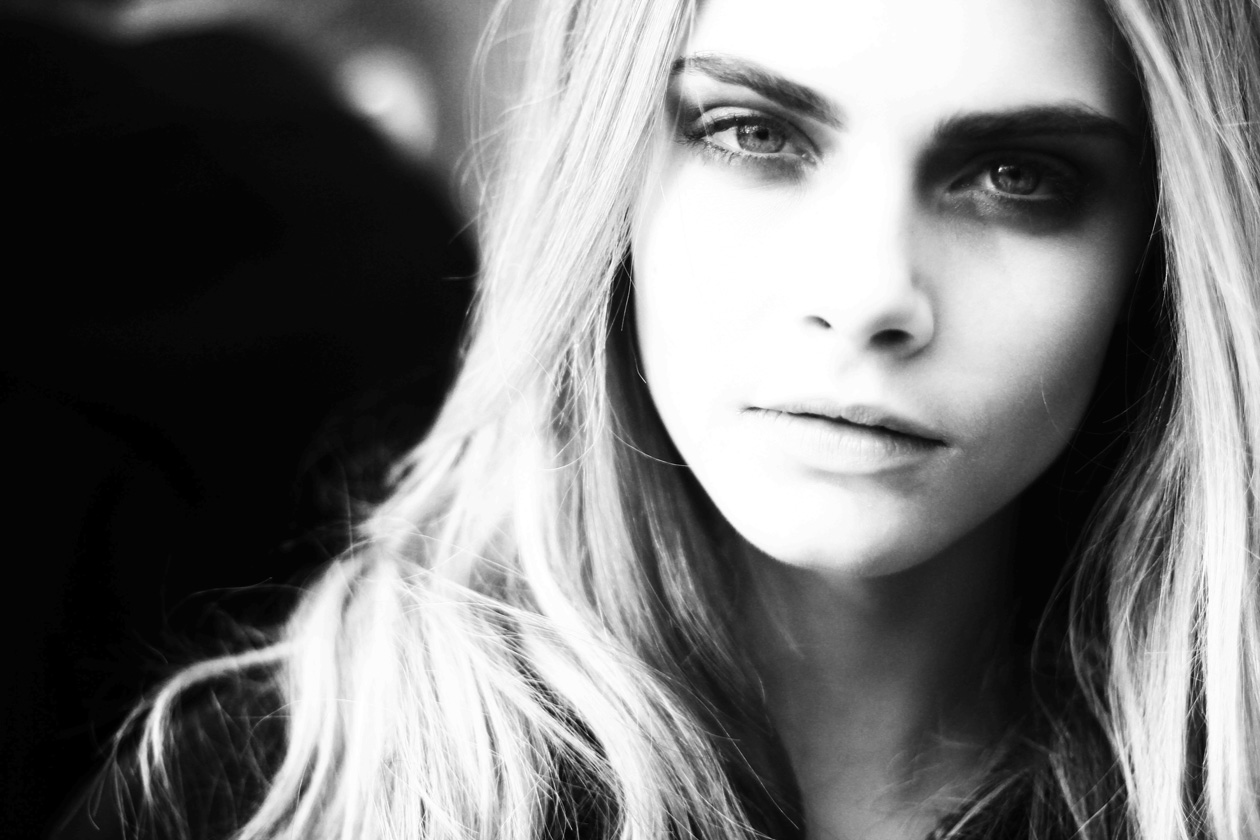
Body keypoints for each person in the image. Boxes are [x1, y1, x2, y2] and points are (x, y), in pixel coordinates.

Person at [67, 0, 1260, 838]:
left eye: (1018, 176)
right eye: (755, 134)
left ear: (1158, 255)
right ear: (606, 177)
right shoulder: (269, 796)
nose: (865, 294)